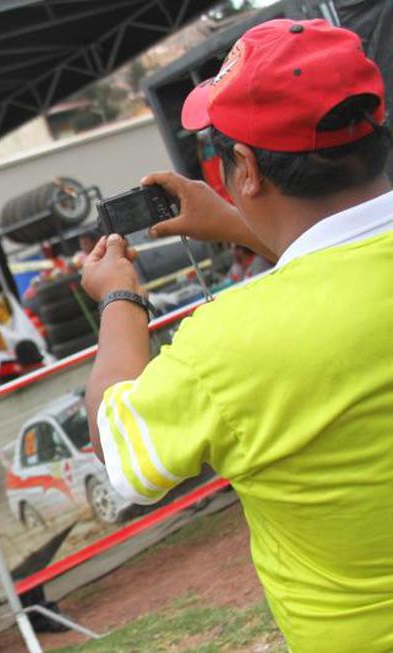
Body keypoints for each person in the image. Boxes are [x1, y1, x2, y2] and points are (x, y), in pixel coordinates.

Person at [80, 19, 392, 651]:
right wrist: (236, 223)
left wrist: (119, 300)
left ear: (245, 167)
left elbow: (119, 448)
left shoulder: (226, 346)